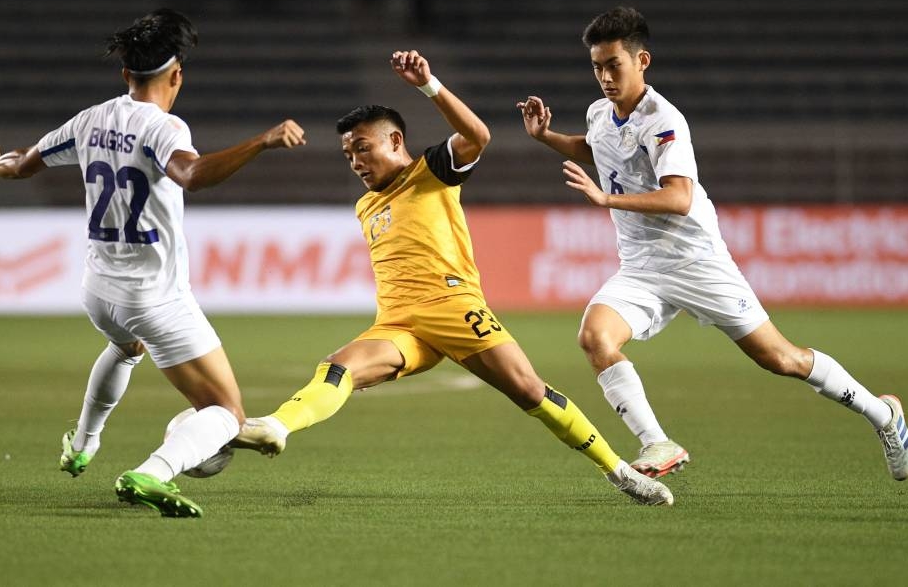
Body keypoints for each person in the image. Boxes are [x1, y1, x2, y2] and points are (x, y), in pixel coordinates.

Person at [230, 49, 674, 506]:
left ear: (395, 141)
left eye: (363, 148)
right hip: (398, 325)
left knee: (530, 392)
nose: (357, 162)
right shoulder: (366, 204)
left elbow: (477, 135)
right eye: (348, 155)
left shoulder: (431, 172)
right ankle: (275, 426)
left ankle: (619, 471)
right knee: (339, 366)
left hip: (454, 310)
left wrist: (428, 85)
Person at [516, 6, 908, 482]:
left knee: (780, 358)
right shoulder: (601, 112)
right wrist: (548, 138)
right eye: (597, 66)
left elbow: (680, 197)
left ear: (642, 61)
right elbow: (598, 146)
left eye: (613, 65)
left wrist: (607, 199)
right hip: (642, 267)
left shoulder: (664, 121)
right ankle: (656, 442)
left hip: (696, 262)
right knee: (595, 337)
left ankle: (883, 415)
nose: (604, 76)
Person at [0, 8, 307, 517]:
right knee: (225, 412)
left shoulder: (91, 119)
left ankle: (84, 444)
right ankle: (151, 473)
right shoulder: (163, 127)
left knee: (127, 346)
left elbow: (22, 164)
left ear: (125, 74)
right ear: (177, 73)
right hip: (153, 296)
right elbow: (193, 174)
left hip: (98, 290)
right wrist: (261, 141)